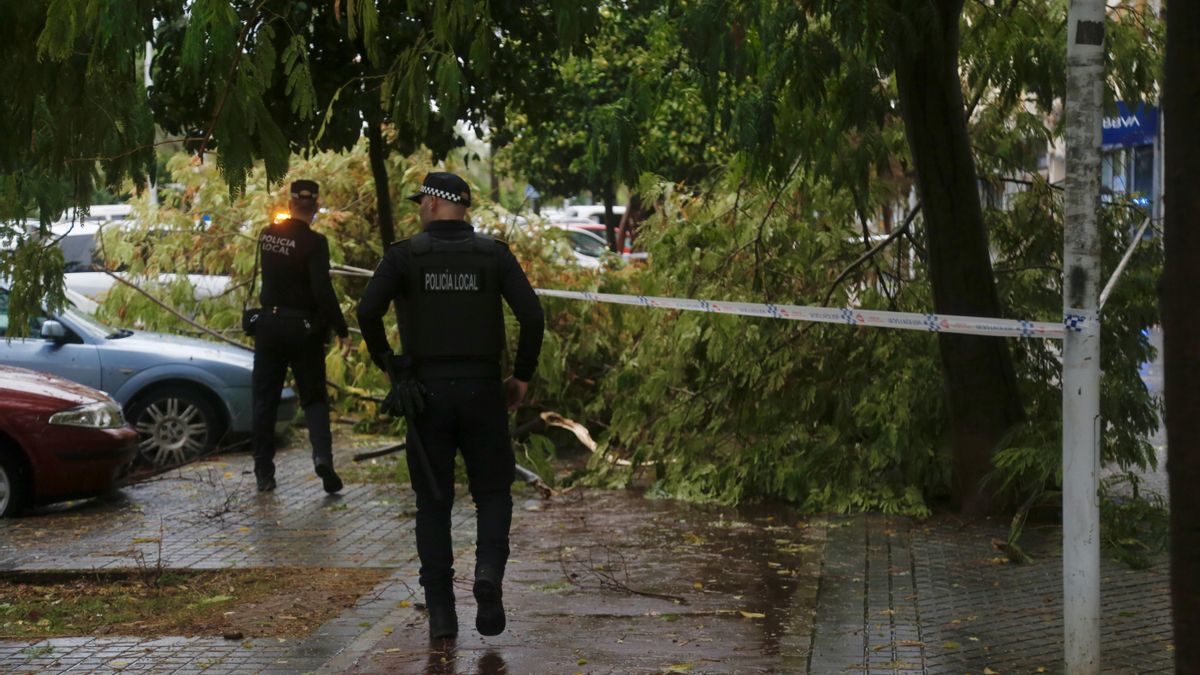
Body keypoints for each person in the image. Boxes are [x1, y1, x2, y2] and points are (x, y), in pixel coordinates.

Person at [356, 171, 544, 641]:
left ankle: (441, 612)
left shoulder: (404, 256)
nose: (420, 207)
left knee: (433, 503)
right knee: (494, 493)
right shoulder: (494, 255)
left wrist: (393, 369)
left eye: (423, 201)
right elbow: (532, 314)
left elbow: (365, 312)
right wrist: (520, 375)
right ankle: (487, 577)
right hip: (484, 390)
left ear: (437, 205)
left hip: (427, 397)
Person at [252, 179, 350, 494]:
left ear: (290, 202)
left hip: (269, 325)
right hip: (303, 329)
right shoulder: (315, 243)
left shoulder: (267, 236)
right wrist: (341, 327)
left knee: (264, 401)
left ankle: (264, 473)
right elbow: (322, 289)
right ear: (316, 206)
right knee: (314, 399)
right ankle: (323, 458)